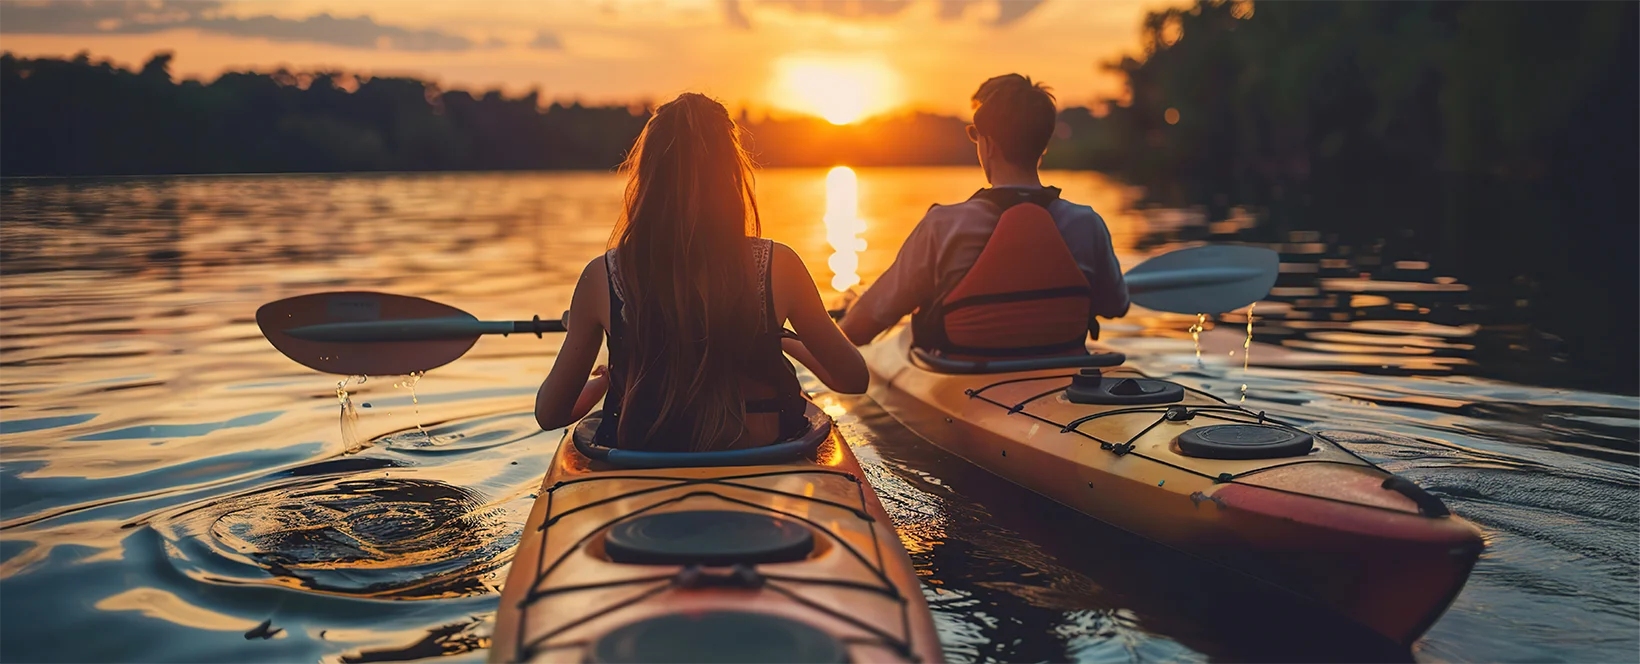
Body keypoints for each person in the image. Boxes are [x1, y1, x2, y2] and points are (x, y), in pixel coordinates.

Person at [533, 93, 868, 451]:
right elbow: (852, 378)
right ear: (731, 175)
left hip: (644, 455)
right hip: (760, 451)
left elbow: (551, 414)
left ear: (647, 177)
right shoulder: (779, 265)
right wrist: (782, 336)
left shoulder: (602, 276)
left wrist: (606, 380)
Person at [839, 74, 1129, 358]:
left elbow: (857, 332)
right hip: (1065, 379)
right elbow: (1116, 304)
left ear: (987, 145)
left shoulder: (943, 228)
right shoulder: (1087, 224)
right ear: (1043, 146)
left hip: (962, 381)